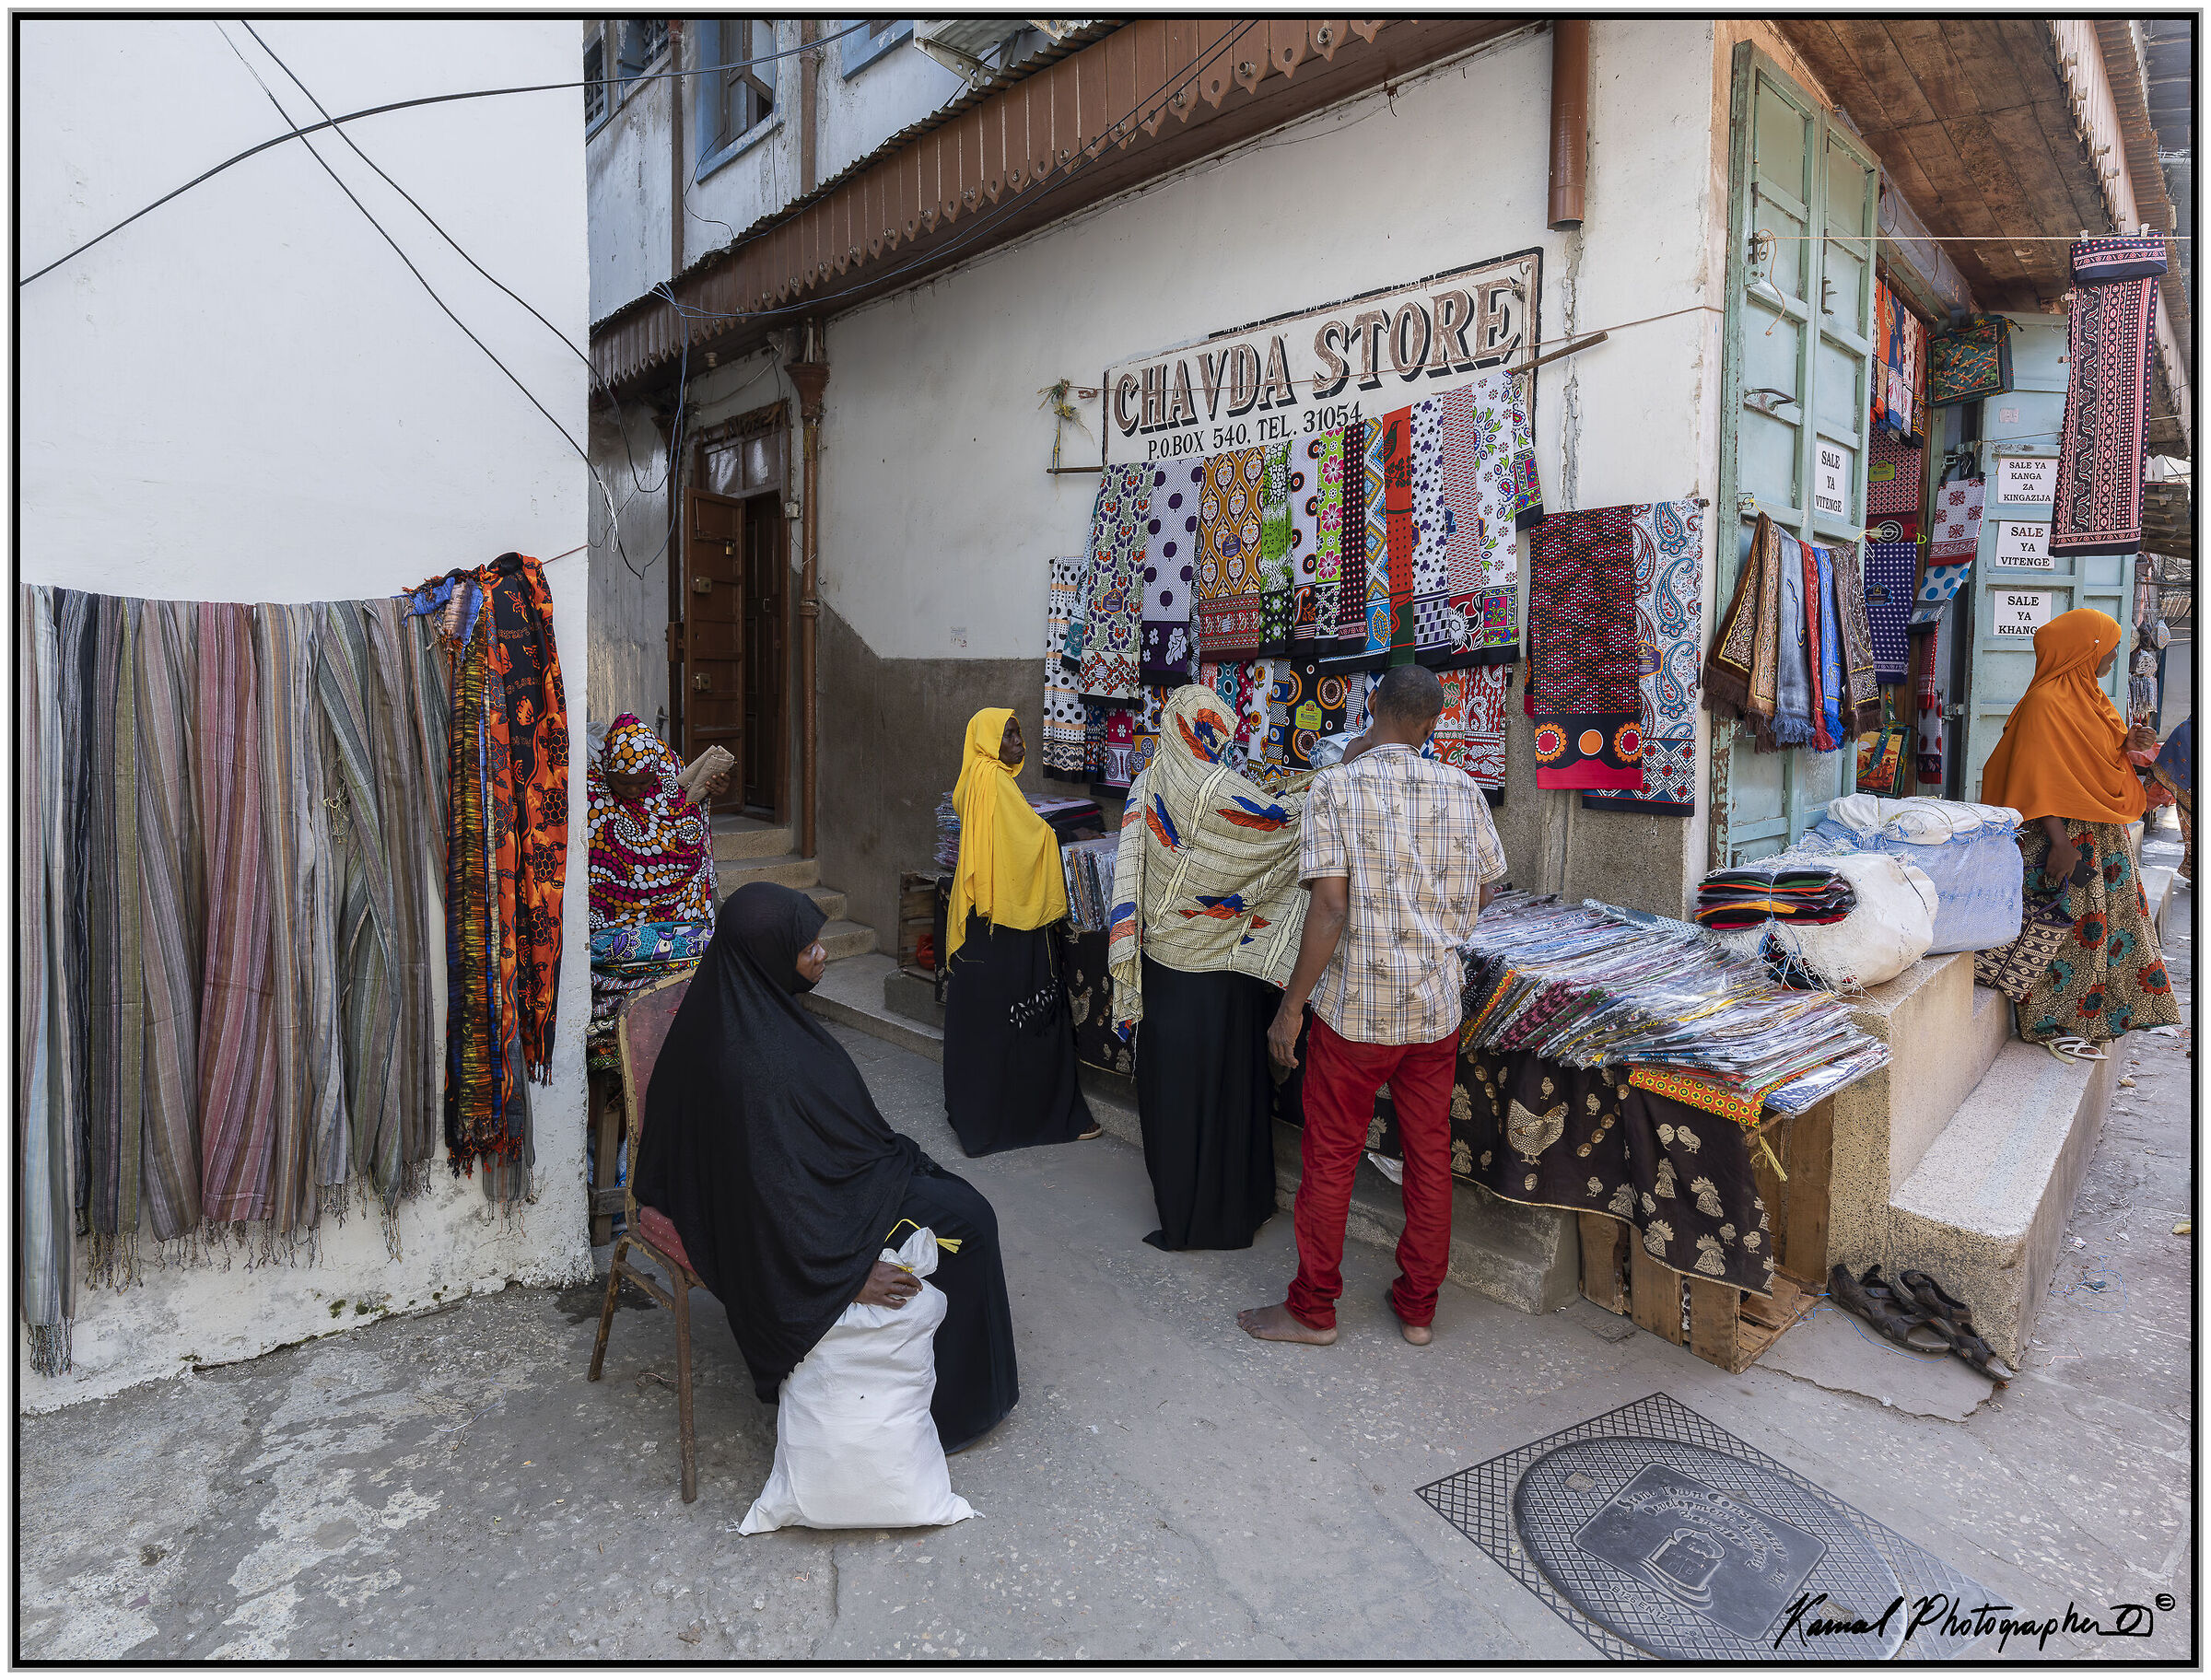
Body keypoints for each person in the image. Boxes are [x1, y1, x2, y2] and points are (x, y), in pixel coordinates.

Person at [632, 881, 1019, 1453]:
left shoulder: (746, 1004)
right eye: (807, 946)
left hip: (823, 1178)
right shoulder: (743, 1062)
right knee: (965, 1224)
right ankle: (945, 1417)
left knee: (958, 1202)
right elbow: (758, 1195)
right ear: (765, 954)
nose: (821, 955)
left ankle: (943, 1393)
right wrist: (847, 1277)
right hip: (797, 1208)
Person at [1237, 664, 1508, 1348]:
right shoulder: (1462, 787)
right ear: (1432, 724)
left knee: (1331, 1158)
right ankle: (1419, 1309)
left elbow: (1329, 904)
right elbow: (1482, 894)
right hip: (1433, 1011)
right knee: (1427, 1156)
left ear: (1371, 707)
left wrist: (1291, 1007)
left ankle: (1313, 1309)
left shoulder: (1335, 786)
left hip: (1355, 1012)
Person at [1106, 685, 1311, 1251]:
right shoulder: (1219, 787)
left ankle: (1184, 1214)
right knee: (1229, 1089)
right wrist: (1323, 788)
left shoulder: (1150, 780)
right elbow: (1276, 826)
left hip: (1164, 971)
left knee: (1173, 1096)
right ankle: (1235, 1207)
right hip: (1221, 974)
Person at [1979, 609, 2181, 1056]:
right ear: (2085, 649)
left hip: (2099, 837)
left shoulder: (2092, 698)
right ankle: (2050, 1023)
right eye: (2108, 647)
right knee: (2063, 926)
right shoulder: (2045, 704)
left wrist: (2129, 743)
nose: (2113, 657)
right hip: (2063, 838)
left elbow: (2094, 753)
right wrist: (2061, 844)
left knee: (2107, 925)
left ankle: (2097, 1018)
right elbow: (2037, 778)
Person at [942, 706, 1098, 1156]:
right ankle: (1026, 1119)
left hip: (979, 917)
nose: (1018, 742)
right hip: (1007, 915)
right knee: (1025, 1017)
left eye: (1018, 733)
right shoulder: (994, 781)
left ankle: (976, 1116)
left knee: (982, 1021)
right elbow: (1031, 839)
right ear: (988, 741)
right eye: (1008, 735)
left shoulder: (973, 778)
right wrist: (1063, 836)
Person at [586, 714, 731, 1025]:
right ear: (608, 770)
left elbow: (687, 816)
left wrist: (712, 789)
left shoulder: (667, 767)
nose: (636, 790)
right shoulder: (589, 787)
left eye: (644, 782)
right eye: (624, 783)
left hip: (678, 905)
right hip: (612, 912)